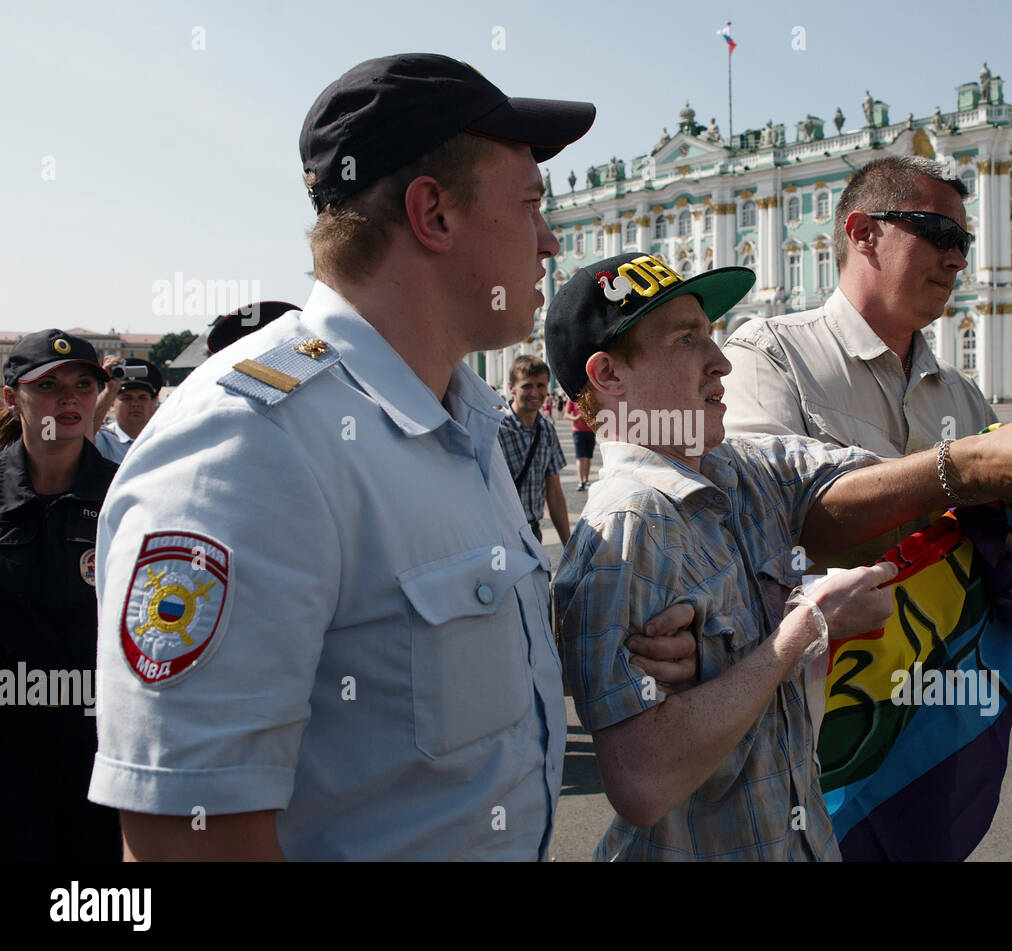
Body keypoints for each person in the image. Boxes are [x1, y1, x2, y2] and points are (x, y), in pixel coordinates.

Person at [87, 53, 697, 862]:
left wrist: (607, 640)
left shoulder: (457, 415)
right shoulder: (245, 447)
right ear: (433, 214)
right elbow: (187, 842)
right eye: (530, 205)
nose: (551, 241)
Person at [544, 252, 1012, 860]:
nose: (719, 360)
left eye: (712, 334)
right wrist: (805, 629)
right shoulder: (627, 530)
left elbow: (888, 477)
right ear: (609, 376)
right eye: (686, 338)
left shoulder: (742, 469)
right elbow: (642, 783)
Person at [722, 155, 1006, 563]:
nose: (957, 260)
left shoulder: (963, 393)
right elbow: (765, 520)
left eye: (963, 242)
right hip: (827, 629)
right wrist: (958, 468)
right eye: (940, 233)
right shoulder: (770, 354)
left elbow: (995, 543)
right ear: (863, 233)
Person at [1, 329, 121, 860]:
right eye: (49, 386)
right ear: (11, 398)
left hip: (98, 747)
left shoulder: (128, 495)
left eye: (83, 384)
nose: (69, 399)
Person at [499, 355, 569, 544]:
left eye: (540, 385)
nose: (535, 392)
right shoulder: (494, 429)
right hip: (498, 534)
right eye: (527, 385)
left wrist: (568, 544)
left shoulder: (547, 430)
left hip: (533, 533)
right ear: (511, 388)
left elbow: (553, 491)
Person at [93, 358, 164, 464]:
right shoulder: (103, 439)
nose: (135, 404)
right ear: (112, 403)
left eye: (142, 398)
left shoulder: (163, 438)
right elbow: (86, 429)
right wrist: (110, 390)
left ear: (154, 403)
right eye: (127, 398)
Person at [565, 394, 596, 490]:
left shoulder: (590, 397)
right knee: (580, 457)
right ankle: (580, 481)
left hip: (590, 431)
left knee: (588, 457)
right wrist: (575, 419)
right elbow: (566, 414)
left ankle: (586, 480)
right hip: (578, 431)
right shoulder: (572, 398)